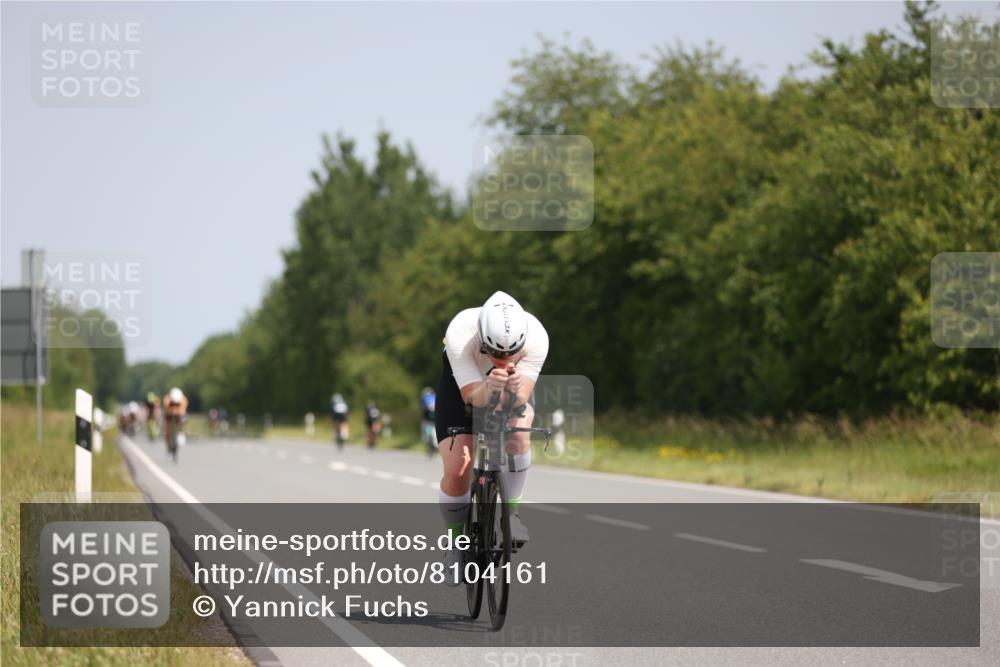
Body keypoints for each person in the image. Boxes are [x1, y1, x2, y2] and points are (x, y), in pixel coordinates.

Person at [436, 291, 548, 584]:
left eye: (511, 354)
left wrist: (511, 386)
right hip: (467, 386)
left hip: (506, 388)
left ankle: (512, 515)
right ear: (483, 341)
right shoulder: (461, 332)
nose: (504, 359)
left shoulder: (537, 336)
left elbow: (522, 396)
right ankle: (454, 543)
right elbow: (472, 397)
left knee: (519, 430)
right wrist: (489, 385)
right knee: (458, 467)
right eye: (496, 354)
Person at [162, 387, 189, 459]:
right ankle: (168, 445)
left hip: (179, 414)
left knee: (182, 420)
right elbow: (166, 409)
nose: (175, 404)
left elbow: (183, 411)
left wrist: (178, 413)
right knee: (167, 429)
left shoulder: (183, 400)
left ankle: (181, 433)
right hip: (169, 414)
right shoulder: (167, 399)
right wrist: (171, 412)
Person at [420, 386, 437, 457]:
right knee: (430, 435)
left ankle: (431, 448)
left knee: (428, 436)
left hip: (428, 422)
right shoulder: (434, 398)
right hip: (431, 421)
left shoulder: (424, 399)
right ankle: (432, 447)